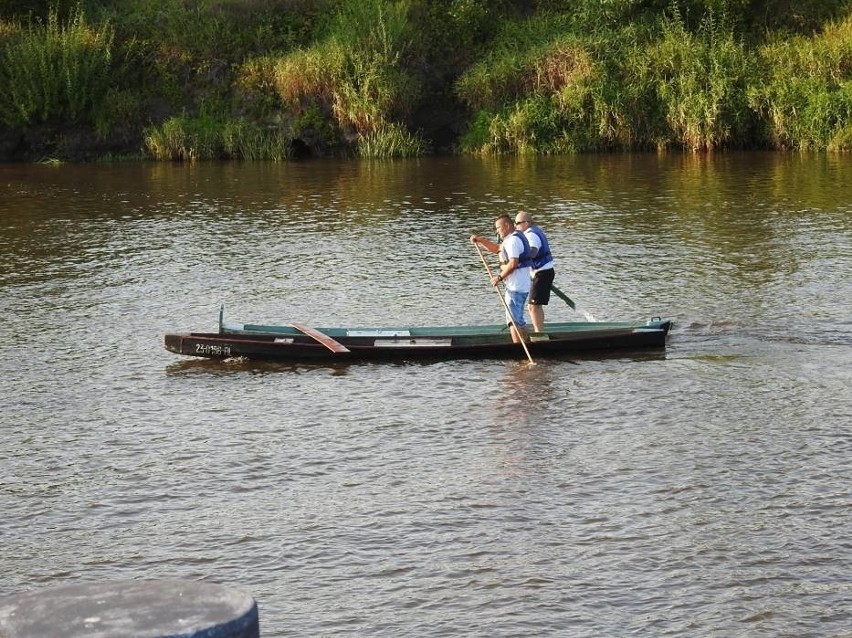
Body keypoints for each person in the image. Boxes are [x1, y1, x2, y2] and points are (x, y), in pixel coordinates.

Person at [470, 214, 532, 343]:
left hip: (516, 286)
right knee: (517, 319)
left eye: (498, 228)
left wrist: (498, 278)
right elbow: (498, 249)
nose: (497, 231)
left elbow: (513, 263)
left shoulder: (513, 241)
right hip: (517, 285)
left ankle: (519, 350)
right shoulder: (510, 239)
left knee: (513, 321)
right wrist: (481, 241)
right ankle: (525, 345)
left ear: (507, 226)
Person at [514, 210, 554, 334]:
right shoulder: (532, 231)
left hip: (542, 273)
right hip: (542, 272)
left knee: (533, 306)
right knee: (535, 305)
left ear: (526, 223)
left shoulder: (531, 234)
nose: (515, 226)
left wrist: (521, 261)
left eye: (518, 223)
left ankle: (539, 333)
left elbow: (533, 251)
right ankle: (539, 331)